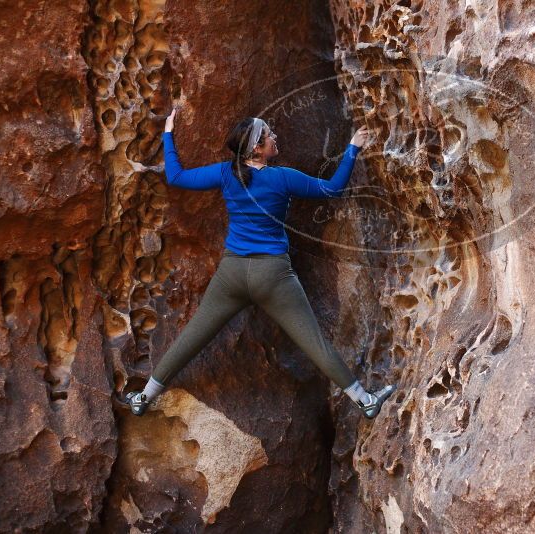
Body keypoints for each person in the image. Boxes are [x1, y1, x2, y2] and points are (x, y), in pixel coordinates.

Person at [122, 107, 395, 419]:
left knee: (191, 338)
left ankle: (144, 398)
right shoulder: (282, 178)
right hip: (273, 275)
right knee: (314, 343)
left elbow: (176, 176)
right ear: (257, 148)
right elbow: (332, 189)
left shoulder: (226, 173)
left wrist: (169, 133)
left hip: (232, 274)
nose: (275, 137)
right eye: (269, 135)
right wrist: (353, 148)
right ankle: (365, 401)